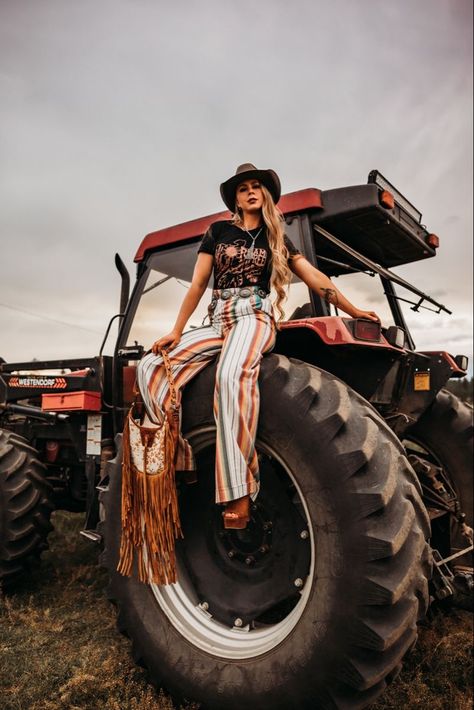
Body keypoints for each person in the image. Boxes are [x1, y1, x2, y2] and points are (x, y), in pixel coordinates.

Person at [137, 163, 380, 529]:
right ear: (235, 198)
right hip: (219, 318)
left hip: (254, 315)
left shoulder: (276, 235)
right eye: (242, 188)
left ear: (265, 194)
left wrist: (352, 309)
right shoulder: (217, 232)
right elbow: (199, 283)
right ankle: (177, 459)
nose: (250, 191)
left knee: (232, 374)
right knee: (151, 369)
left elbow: (314, 276)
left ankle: (237, 490)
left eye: (256, 186)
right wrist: (176, 330)